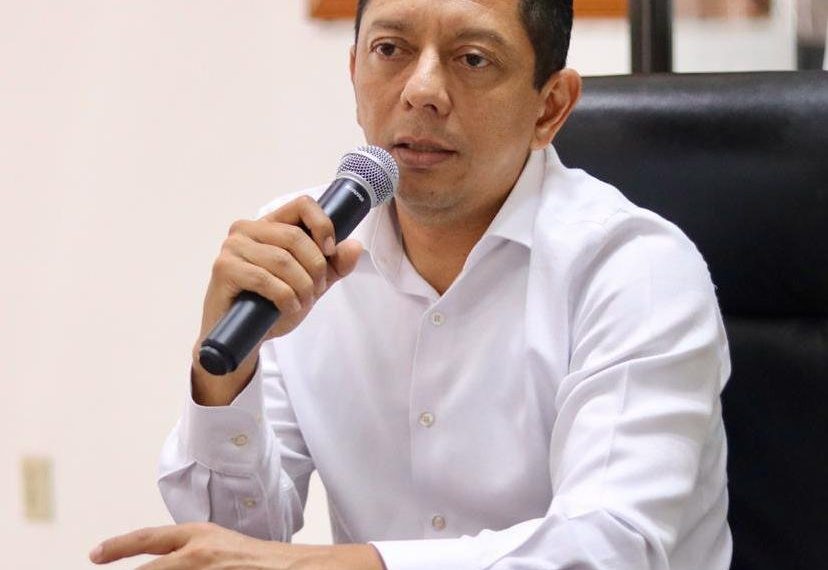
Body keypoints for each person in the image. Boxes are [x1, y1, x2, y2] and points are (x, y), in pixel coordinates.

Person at [90, 0, 732, 568]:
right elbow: (237, 544)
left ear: (550, 107)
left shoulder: (636, 271)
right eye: (390, 49)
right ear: (354, 74)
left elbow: (612, 547)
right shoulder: (296, 252)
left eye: (473, 59)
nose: (422, 90)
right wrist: (228, 376)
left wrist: (348, 565)